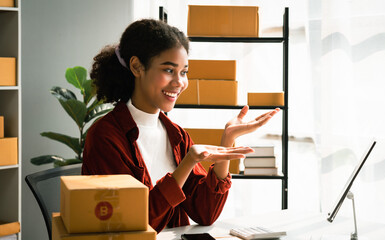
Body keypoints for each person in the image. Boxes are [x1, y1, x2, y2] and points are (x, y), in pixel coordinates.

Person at [82, 19, 280, 233]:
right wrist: (187, 164)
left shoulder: (176, 135)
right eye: (169, 70)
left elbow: (205, 214)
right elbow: (133, 225)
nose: (179, 82)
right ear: (137, 67)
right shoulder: (105, 137)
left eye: (184, 72)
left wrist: (227, 141)